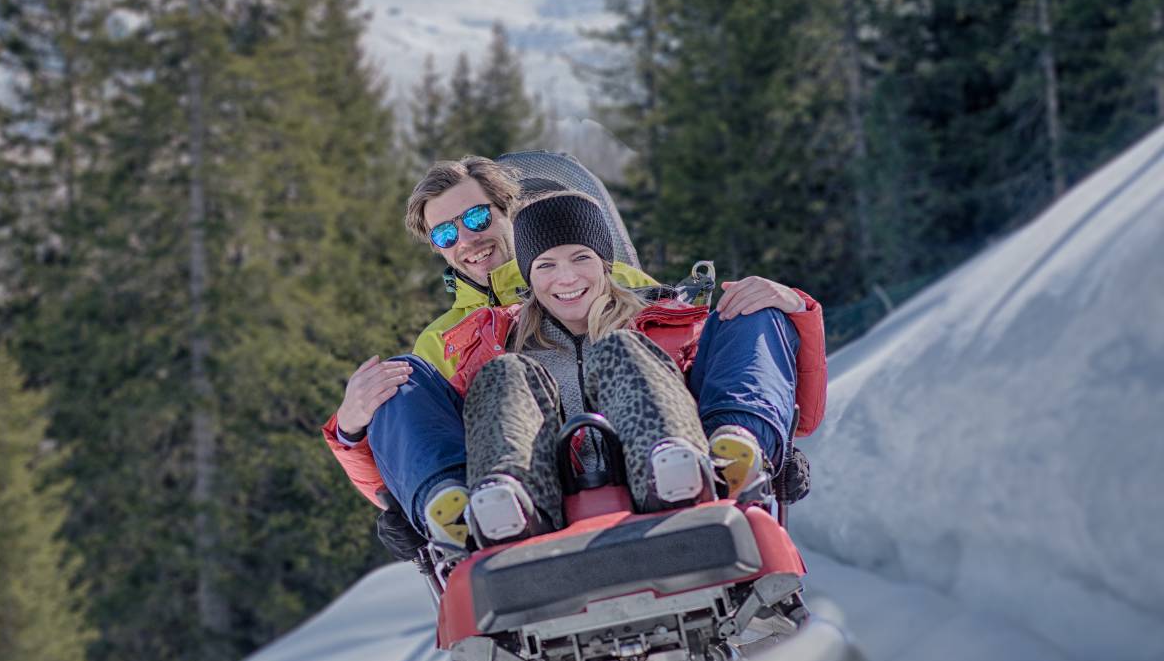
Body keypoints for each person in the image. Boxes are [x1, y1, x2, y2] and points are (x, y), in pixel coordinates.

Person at [325, 157, 827, 558]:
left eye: (476, 217)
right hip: (533, 467)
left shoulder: (615, 285)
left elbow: (688, 356)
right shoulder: (448, 342)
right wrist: (352, 434)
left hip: (640, 447)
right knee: (460, 378)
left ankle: (717, 453)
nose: (466, 240)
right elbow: (418, 444)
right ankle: (486, 505)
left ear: (509, 213)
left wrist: (783, 320)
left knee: (641, 343)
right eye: (445, 234)